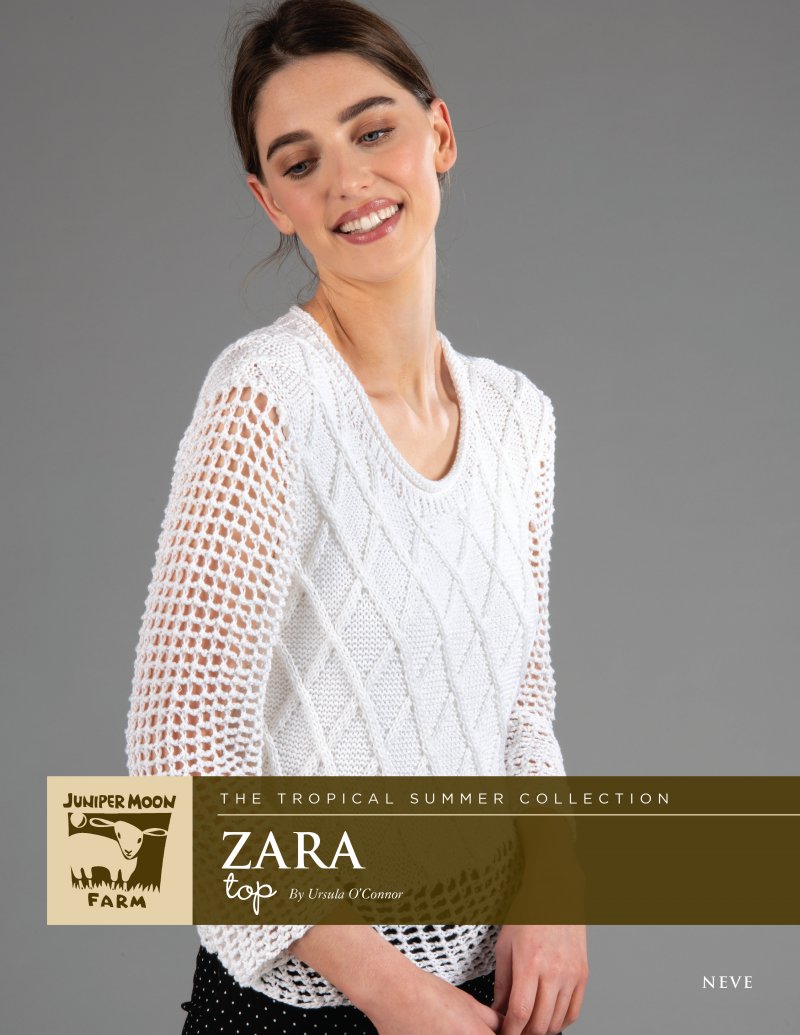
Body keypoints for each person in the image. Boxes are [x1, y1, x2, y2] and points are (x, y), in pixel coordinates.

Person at [125, 1, 588, 1032]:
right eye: (301, 162)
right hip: (316, 1006)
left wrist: (554, 887)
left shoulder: (517, 418)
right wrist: (390, 989)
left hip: (490, 988)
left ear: (440, 134)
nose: (347, 181)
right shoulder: (265, 401)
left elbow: (521, 710)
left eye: (373, 130)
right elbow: (175, 763)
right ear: (271, 201)